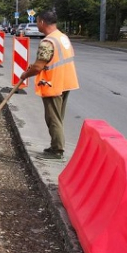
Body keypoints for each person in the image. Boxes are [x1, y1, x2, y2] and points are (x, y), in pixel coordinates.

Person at [18, 10, 79, 160]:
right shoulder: (62, 37)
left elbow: (39, 66)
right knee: (58, 117)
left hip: (54, 83)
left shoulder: (48, 42)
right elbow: (56, 60)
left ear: (42, 22)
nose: (37, 24)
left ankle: (57, 150)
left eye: (38, 21)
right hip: (67, 81)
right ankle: (55, 145)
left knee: (53, 119)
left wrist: (25, 74)